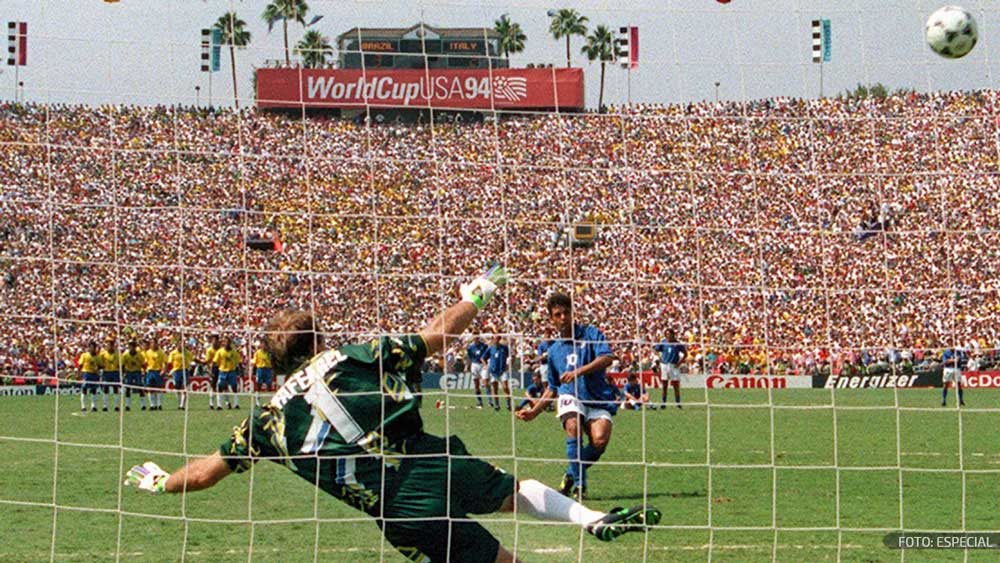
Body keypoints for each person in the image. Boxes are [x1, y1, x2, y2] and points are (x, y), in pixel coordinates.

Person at [125, 266, 660, 563]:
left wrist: (162, 483)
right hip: (427, 462)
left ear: (272, 363)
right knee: (513, 492)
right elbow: (437, 334)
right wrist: (477, 295)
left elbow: (207, 471)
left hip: (395, 510)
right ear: (319, 340)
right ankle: (591, 519)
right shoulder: (355, 354)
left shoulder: (266, 421)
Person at [517, 292, 618, 500]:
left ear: (572, 313)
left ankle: (571, 474)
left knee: (599, 441)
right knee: (573, 426)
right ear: (551, 319)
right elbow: (552, 388)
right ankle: (581, 486)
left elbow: (607, 357)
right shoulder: (553, 350)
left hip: (596, 397)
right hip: (570, 396)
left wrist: (578, 371)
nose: (563, 317)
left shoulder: (591, 334)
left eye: (566, 313)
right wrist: (534, 412)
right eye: (558, 314)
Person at [653, 329, 686, 408]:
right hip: (665, 365)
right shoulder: (663, 342)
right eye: (666, 334)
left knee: (675, 385)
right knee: (664, 385)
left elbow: (685, 354)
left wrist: (679, 363)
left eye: (669, 334)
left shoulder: (677, 343)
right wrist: (659, 357)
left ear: (673, 334)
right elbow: (655, 349)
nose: (668, 335)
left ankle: (678, 403)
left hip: (674, 365)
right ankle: (663, 403)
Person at [484, 335, 512, 411]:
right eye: (494, 338)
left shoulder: (504, 348)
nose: (496, 340)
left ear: (499, 339)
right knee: (495, 389)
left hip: (502, 370)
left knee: (505, 387)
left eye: (497, 338)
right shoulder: (490, 348)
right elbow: (483, 358)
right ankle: (497, 405)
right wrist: (486, 365)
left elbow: (511, 356)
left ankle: (508, 404)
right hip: (493, 371)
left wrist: (508, 364)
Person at [213, 336, 242, 410]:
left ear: (230, 343)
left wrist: (241, 371)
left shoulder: (234, 352)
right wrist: (212, 371)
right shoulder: (220, 351)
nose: (226, 343)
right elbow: (215, 361)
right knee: (220, 387)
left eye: (228, 342)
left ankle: (236, 404)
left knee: (234, 387)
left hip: (232, 371)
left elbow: (238, 362)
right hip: (222, 371)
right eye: (225, 342)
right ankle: (219, 405)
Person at [168, 340, 195, 410]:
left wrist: (203, 362)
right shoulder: (173, 353)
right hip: (176, 371)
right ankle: (179, 403)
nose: (181, 346)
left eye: (183, 344)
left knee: (185, 387)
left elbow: (193, 358)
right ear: (177, 345)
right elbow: (169, 363)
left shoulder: (187, 352)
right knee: (177, 388)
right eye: (180, 344)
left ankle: (182, 405)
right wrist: (168, 371)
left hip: (185, 370)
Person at [120, 340, 146, 411]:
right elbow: (122, 365)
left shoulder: (139, 355)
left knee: (140, 387)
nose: (131, 348)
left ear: (135, 347)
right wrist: (122, 374)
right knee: (128, 388)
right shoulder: (125, 355)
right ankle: (127, 405)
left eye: (133, 346)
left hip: (137, 372)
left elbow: (143, 364)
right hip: (129, 372)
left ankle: (143, 405)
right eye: (130, 346)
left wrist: (144, 371)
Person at [466, 336, 490, 409]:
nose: (476, 338)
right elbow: (469, 357)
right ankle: (480, 402)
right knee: (476, 385)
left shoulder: (484, 346)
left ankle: (490, 401)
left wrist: (487, 363)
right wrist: (467, 366)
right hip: (474, 365)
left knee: (486, 383)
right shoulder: (470, 347)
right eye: (474, 336)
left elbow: (488, 354)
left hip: (483, 365)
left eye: (477, 336)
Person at [99, 336, 121, 412]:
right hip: (106, 372)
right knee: (105, 388)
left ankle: (116, 406)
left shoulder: (117, 353)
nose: (109, 346)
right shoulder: (103, 353)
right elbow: (100, 363)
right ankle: (105, 406)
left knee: (116, 388)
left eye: (111, 344)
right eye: (108, 344)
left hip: (115, 372)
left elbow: (120, 364)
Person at [143, 338, 166, 411]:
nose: (152, 344)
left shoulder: (161, 352)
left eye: (154, 343)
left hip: (158, 371)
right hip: (150, 371)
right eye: (151, 343)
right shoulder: (148, 352)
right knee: (150, 388)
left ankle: (159, 405)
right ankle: (152, 405)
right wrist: (144, 369)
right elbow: (145, 362)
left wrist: (163, 370)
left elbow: (165, 362)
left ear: (156, 343)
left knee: (158, 388)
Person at [78, 341, 101, 412]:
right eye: (91, 347)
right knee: (84, 389)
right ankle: (83, 406)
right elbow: (80, 365)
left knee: (93, 390)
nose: (92, 349)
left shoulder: (97, 357)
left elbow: (100, 365)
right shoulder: (84, 355)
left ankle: (93, 406)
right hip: (86, 373)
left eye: (94, 347)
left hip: (94, 374)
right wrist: (79, 373)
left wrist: (98, 368)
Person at [202, 335, 221, 410]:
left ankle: (221, 404)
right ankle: (211, 404)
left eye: (215, 340)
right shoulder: (210, 350)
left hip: (221, 368)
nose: (213, 342)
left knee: (221, 386)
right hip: (213, 368)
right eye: (212, 340)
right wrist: (209, 370)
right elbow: (207, 361)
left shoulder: (221, 349)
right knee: (213, 386)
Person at [252, 339, 273, 406]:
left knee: (269, 385)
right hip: (260, 369)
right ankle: (258, 402)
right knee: (258, 385)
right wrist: (252, 363)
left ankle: (270, 401)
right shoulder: (257, 353)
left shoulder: (269, 353)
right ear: (260, 345)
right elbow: (255, 361)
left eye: (265, 344)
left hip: (267, 369)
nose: (263, 346)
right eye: (262, 344)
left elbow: (272, 361)